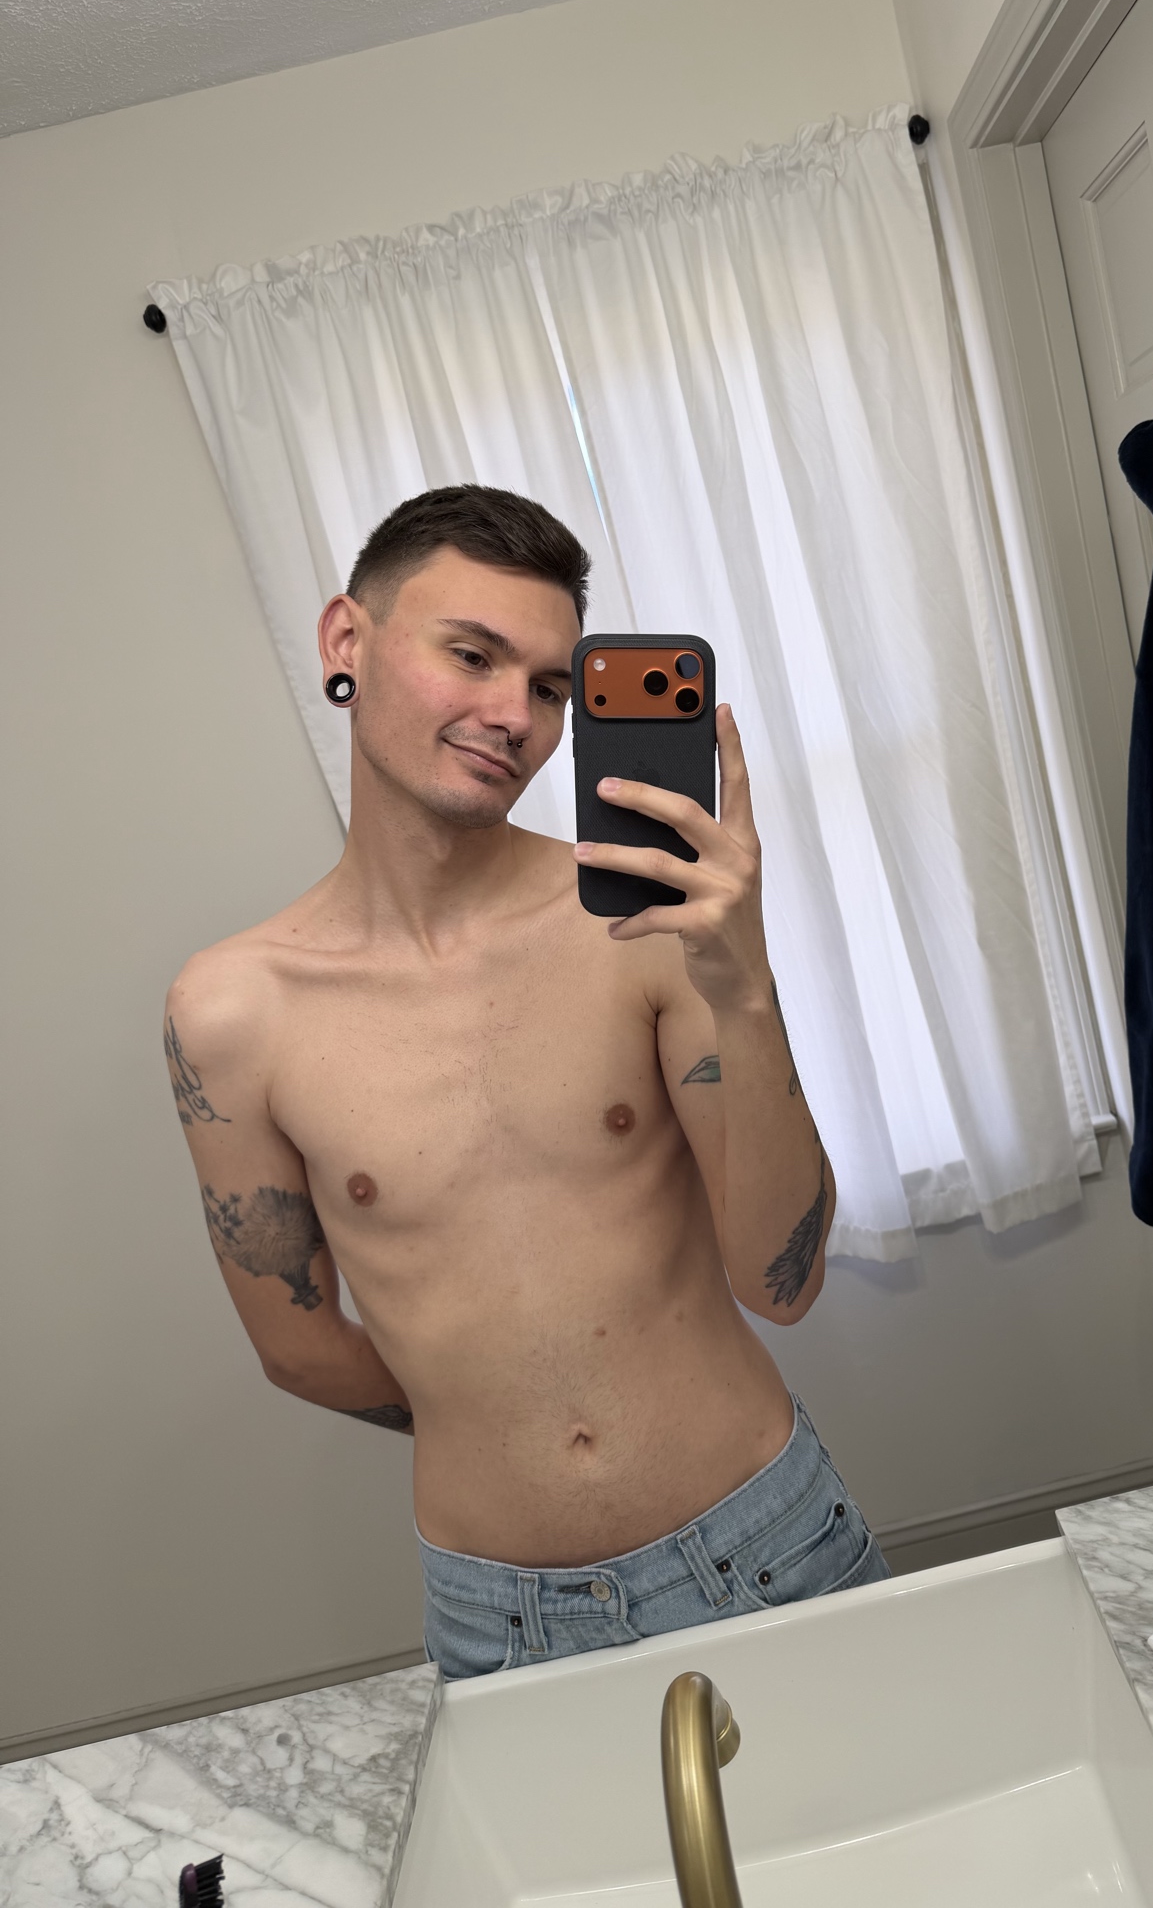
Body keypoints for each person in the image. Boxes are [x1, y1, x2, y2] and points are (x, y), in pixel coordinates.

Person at [165, 483, 888, 1677]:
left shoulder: (639, 926)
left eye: (551, 687)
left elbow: (785, 1277)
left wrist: (747, 991)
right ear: (347, 641)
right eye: (472, 655)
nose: (515, 714)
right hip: (502, 1617)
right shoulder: (233, 1011)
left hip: (763, 1543)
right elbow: (296, 1344)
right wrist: (492, 1405)